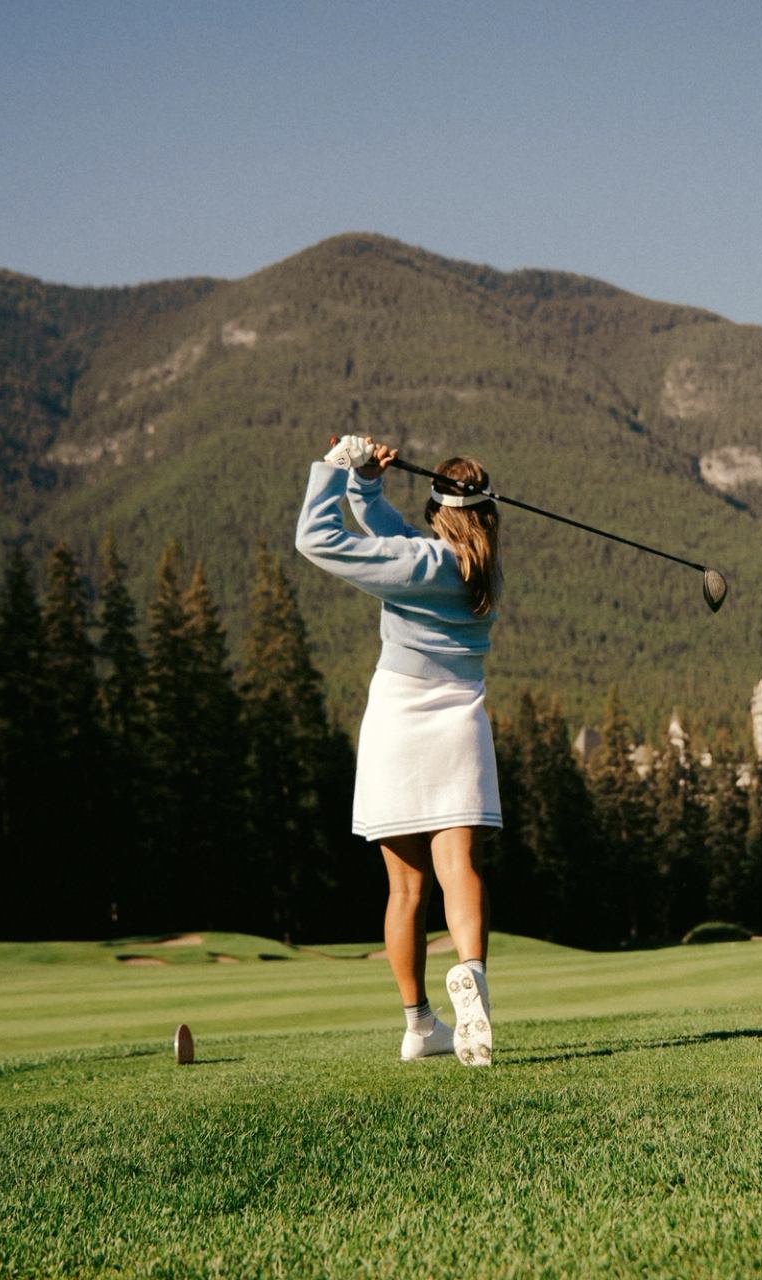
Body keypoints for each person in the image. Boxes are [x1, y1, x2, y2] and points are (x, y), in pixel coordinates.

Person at [295, 434, 500, 1067]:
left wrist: (333, 472)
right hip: (459, 721)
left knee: (405, 890)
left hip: (398, 721)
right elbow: (402, 542)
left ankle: (419, 1025)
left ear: (440, 511)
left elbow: (317, 541)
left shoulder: (420, 563)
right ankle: (473, 977)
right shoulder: (477, 572)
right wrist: (368, 487)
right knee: (457, 863)